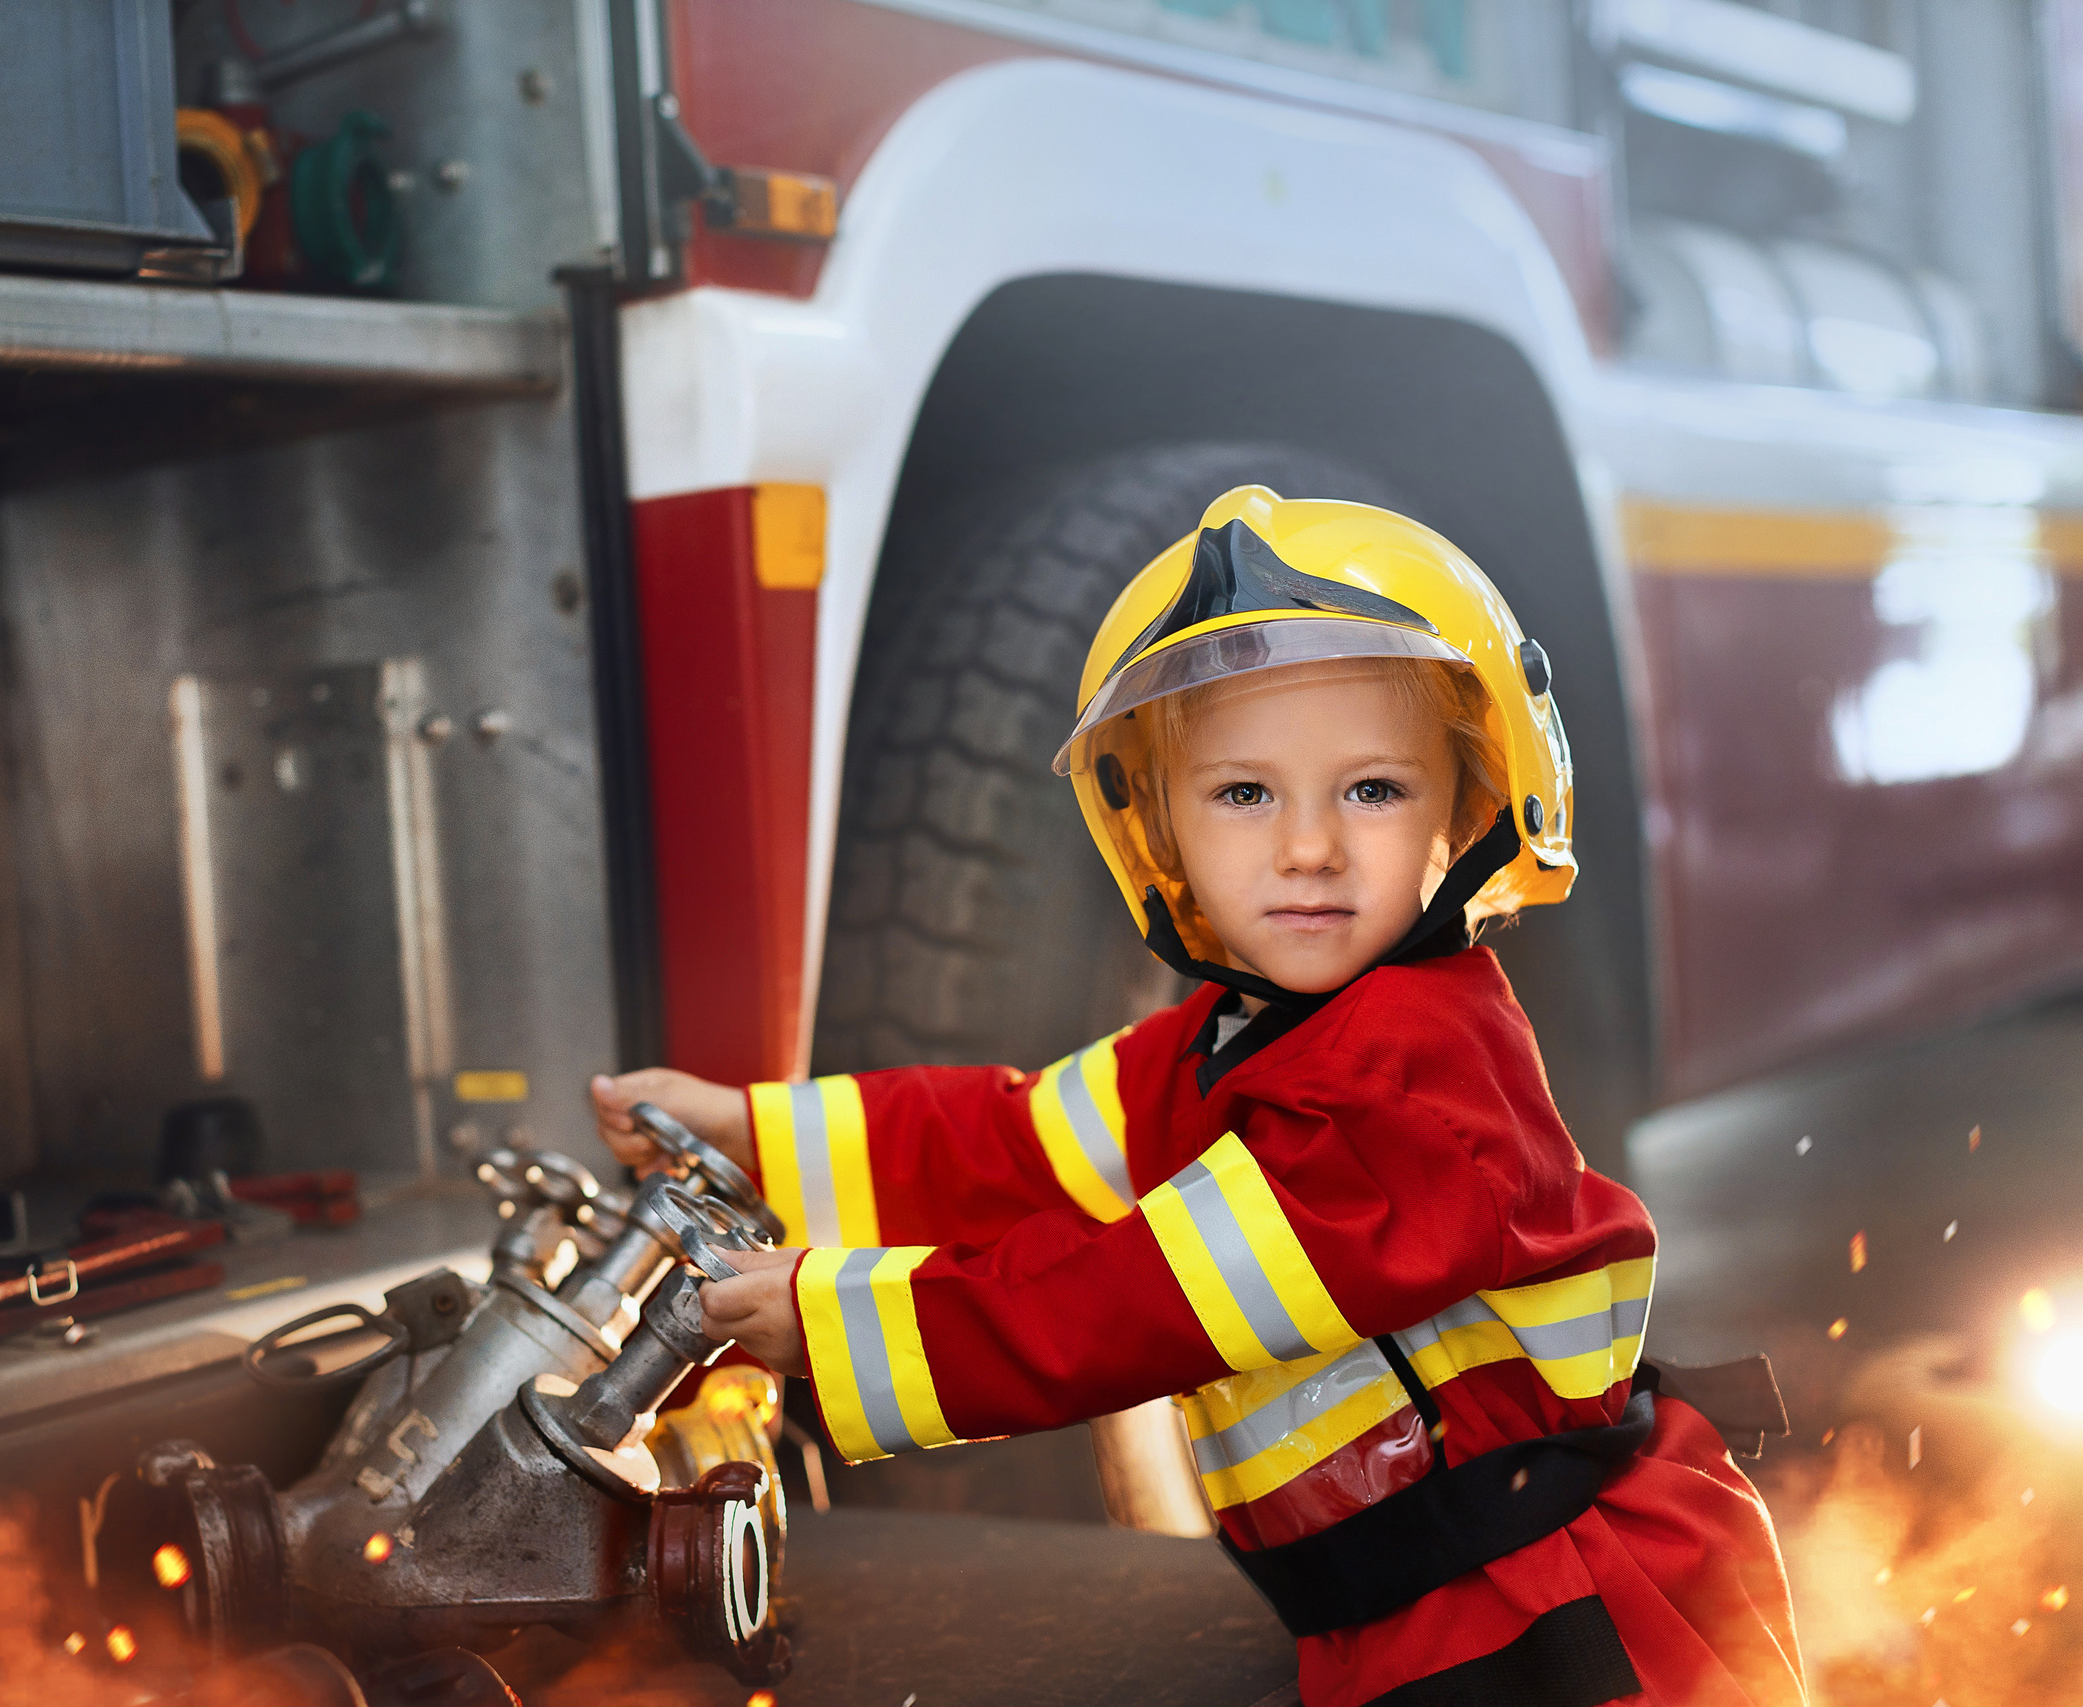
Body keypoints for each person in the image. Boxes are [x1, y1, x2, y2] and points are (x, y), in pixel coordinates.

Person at [591, 486, 1805, 1707]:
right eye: (1243, 794)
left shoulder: (1419, 1081)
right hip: (1411, 1615)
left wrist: (839, 1323)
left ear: (1473, 808)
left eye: (1371, 789)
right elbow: (1015, 1140)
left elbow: (1137, 1300)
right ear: (1158, 830)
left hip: (1562, 1622)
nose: (1307, 848)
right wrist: (755, 1134)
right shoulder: (1240, 1041)